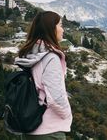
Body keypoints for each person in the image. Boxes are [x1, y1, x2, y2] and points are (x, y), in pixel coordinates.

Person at [15, 11, 72, 140]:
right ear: (51, 28)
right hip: (49, 130)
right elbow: (55, 96)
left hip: (30, 126)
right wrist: (67, 114)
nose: (62, 29)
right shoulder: (51, 58)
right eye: (60, 25)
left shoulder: (31, 54)